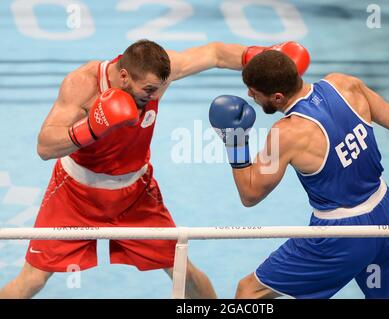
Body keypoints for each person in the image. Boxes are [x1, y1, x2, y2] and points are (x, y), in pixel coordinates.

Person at [0, 40, 307, 299]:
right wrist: (92, 127)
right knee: (34, 279)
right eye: (148, 89)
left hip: (136, 193)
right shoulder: (83, 85)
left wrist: (265, 58)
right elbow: (44, 146)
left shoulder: (157, 76)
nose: (154, 96)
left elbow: (214, 54)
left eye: (159, 88)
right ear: (123, 77)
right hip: (74, 194)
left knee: (181, 268)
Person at [209, 49, 389, 299]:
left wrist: (234, 142)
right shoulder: (344, 84)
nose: (250, 96)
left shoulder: (286, 134)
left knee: (249, 293)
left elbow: (250, 194)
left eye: (255, 93)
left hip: (340, 236)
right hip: (386, 211)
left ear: (278, 97)